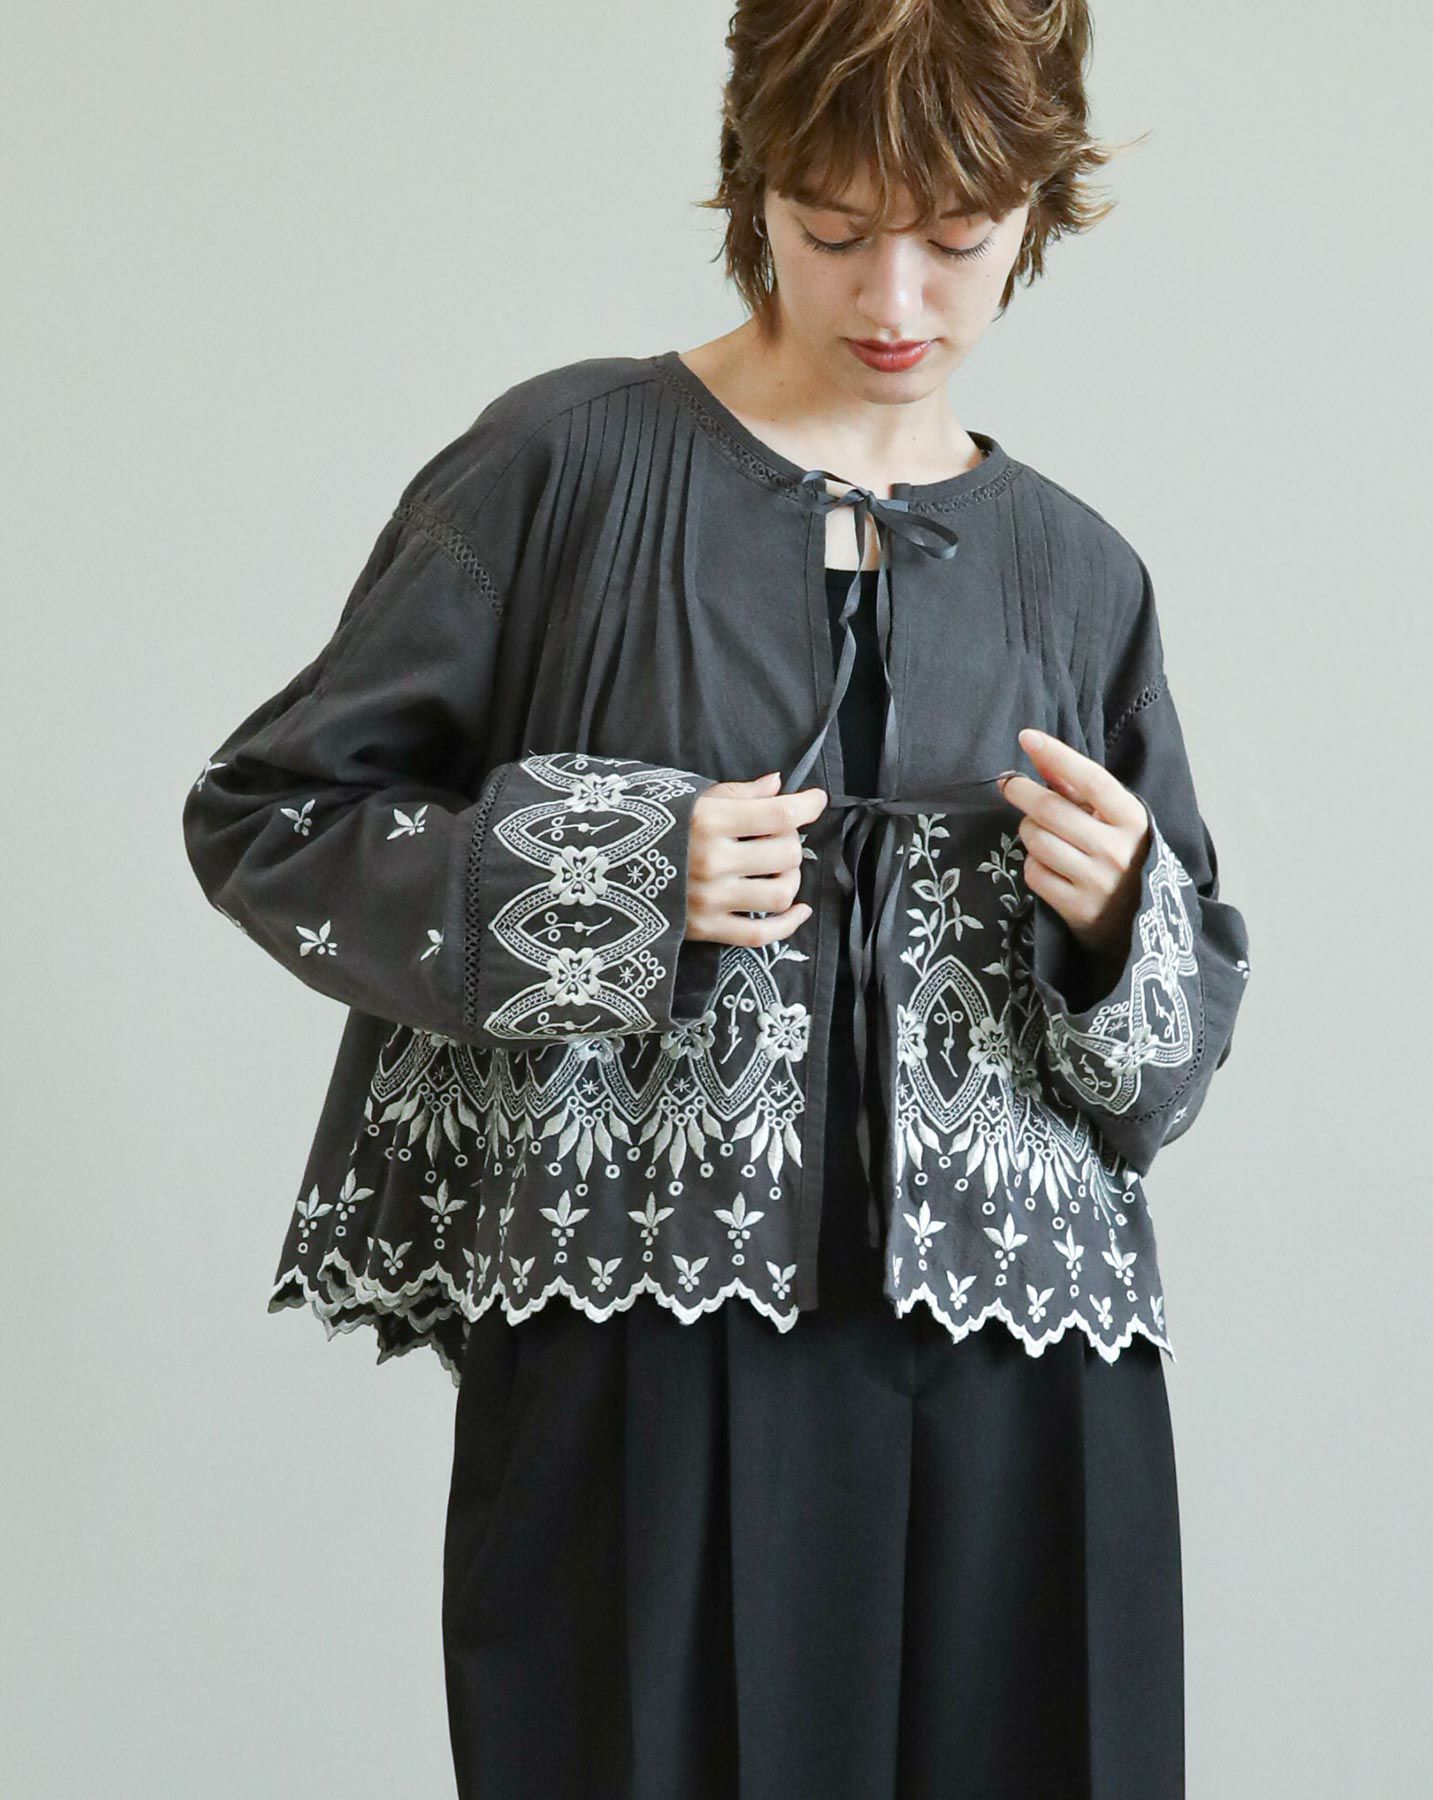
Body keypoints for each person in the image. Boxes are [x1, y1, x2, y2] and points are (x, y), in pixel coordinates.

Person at [183, 3, 1251, 1794]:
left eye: (960, 237)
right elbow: (271, 816)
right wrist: (608, 874)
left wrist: (1118, 918)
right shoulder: (565, 466)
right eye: (836, 230)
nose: (896, 298)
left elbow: (1177, 1044)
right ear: (756, 188)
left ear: (1037, 210)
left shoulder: (1080, 572)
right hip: (642, 1345)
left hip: (1030, 1372)